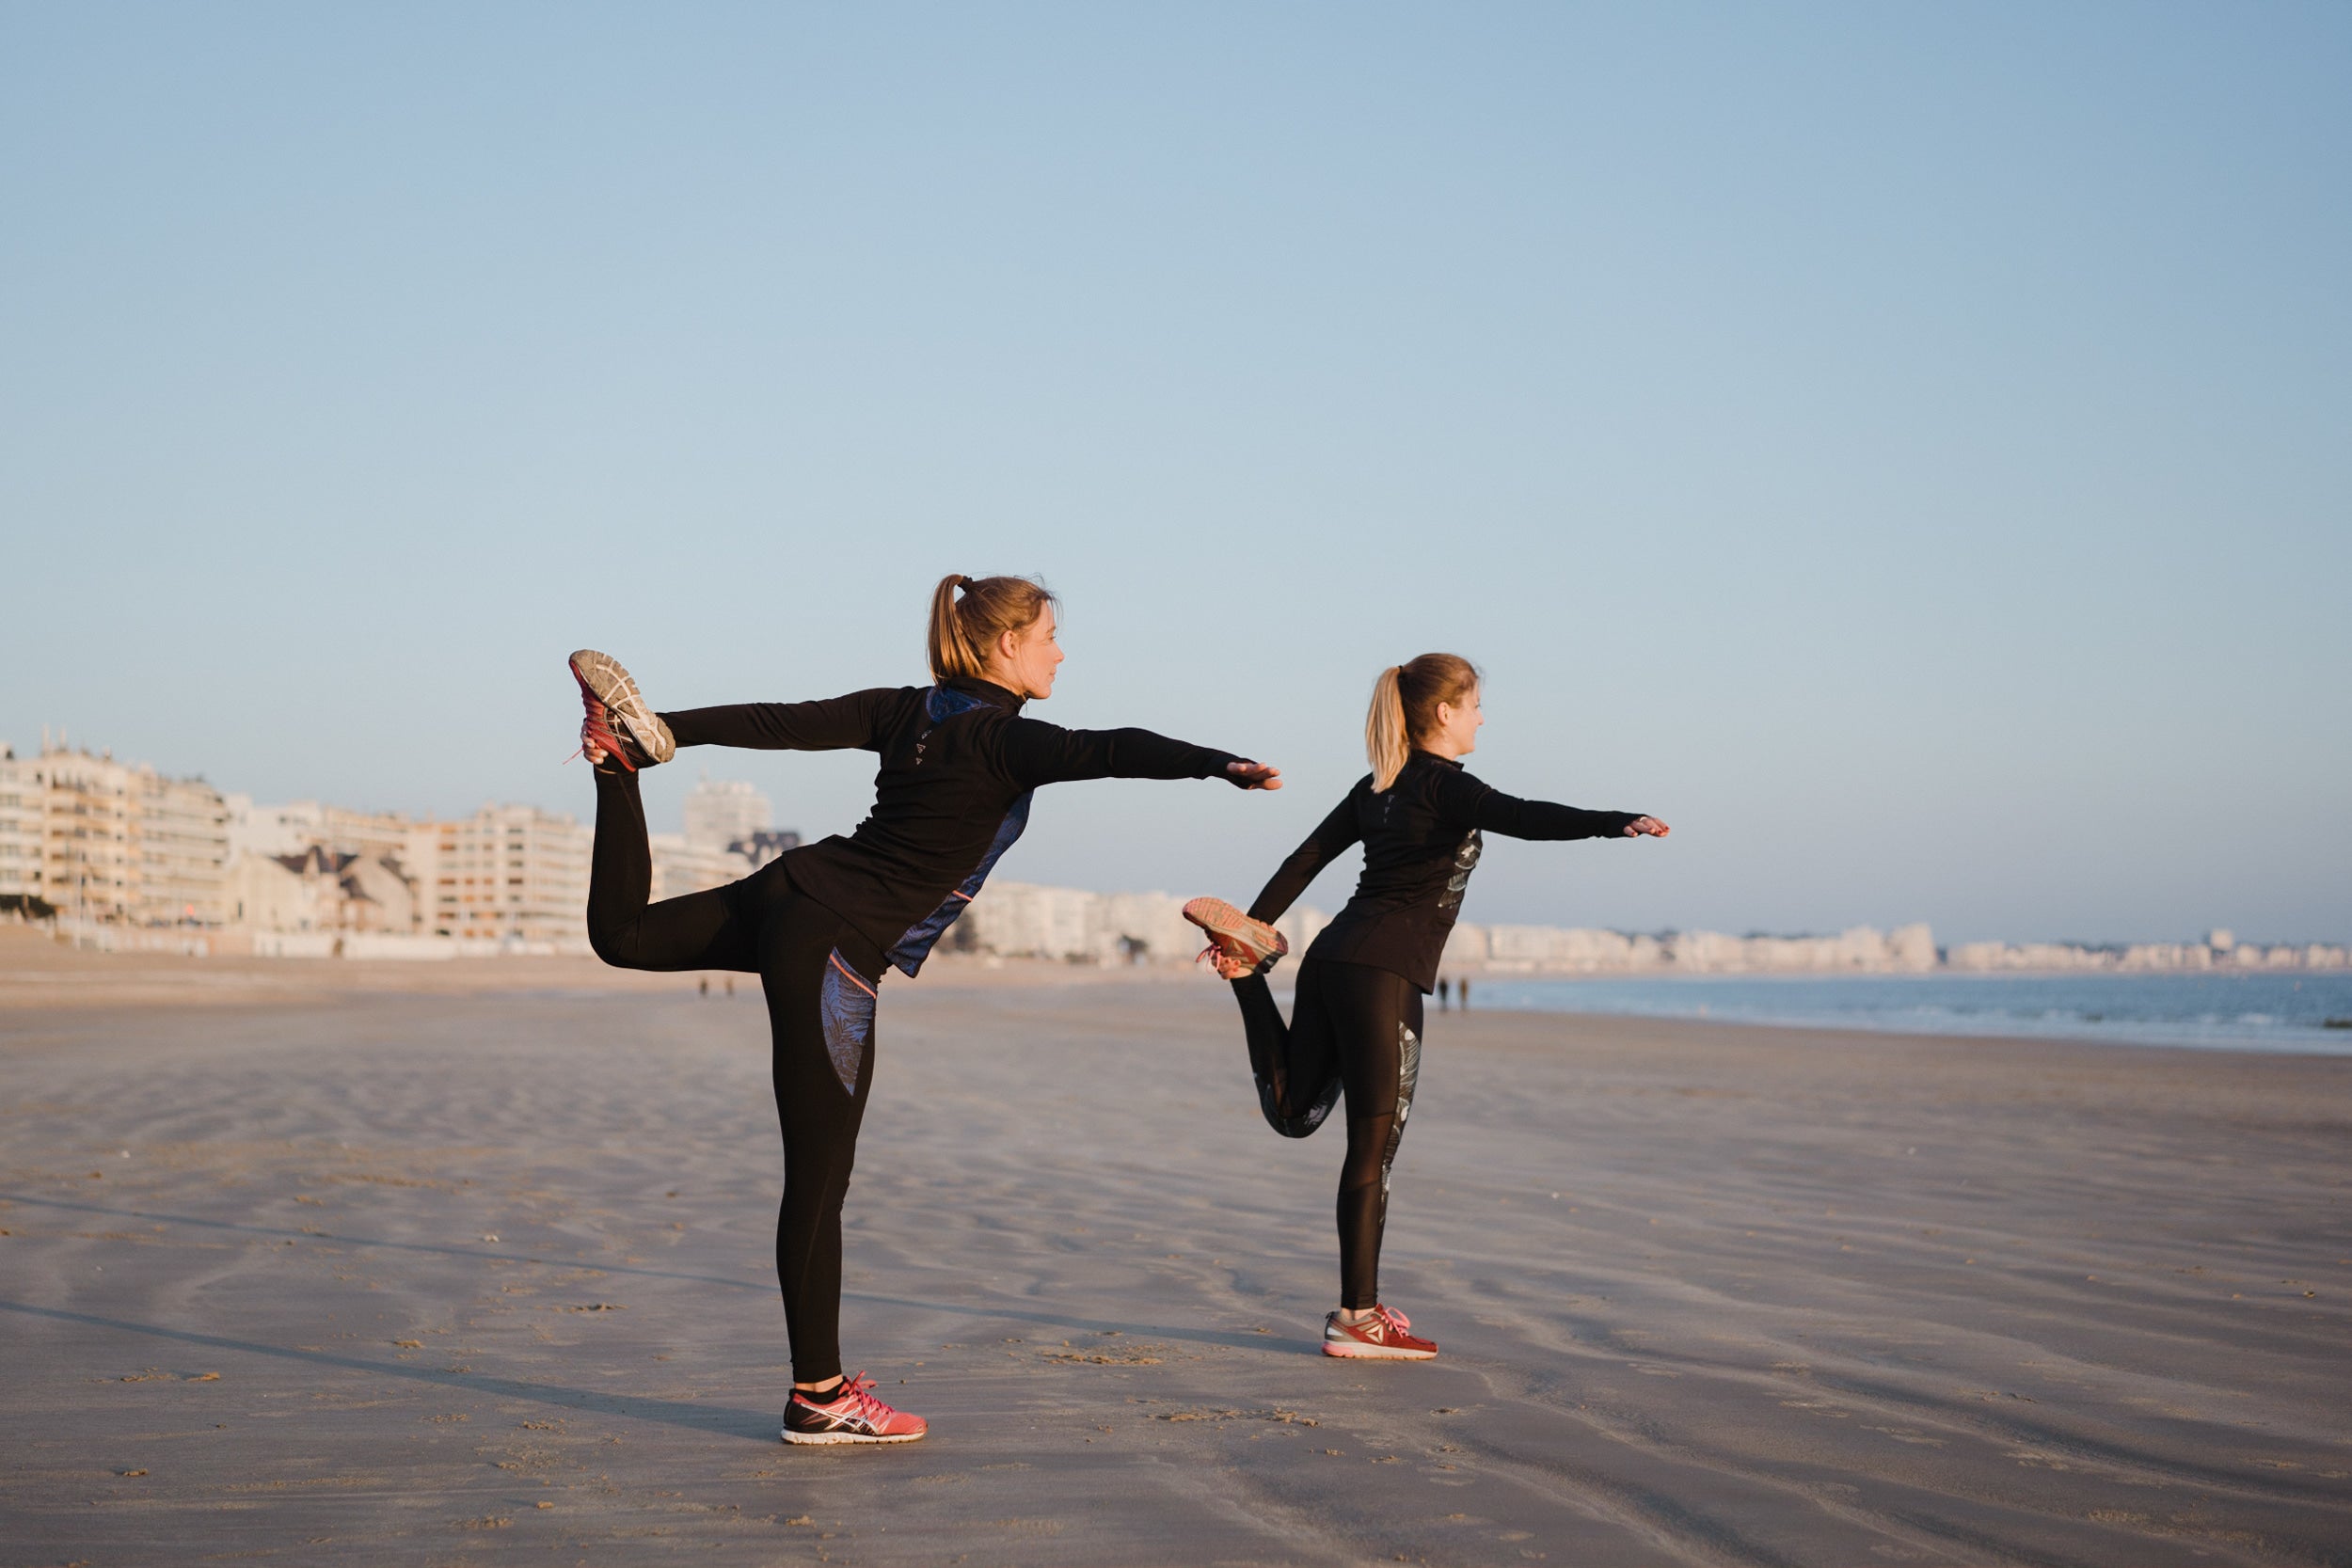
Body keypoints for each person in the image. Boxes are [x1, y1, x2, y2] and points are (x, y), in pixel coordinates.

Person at [569, 574, 1281, 1444]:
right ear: (1004, 645)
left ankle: (617, 763)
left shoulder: (908, 709)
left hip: (789, 893)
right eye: (1049, 635)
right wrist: (1218, 763)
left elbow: (777, 721)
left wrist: (666, 733)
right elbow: (1112, 748)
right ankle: (819, 1395)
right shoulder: (1003, 739)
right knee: (818, 1179)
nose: (1061, 651)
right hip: (836, 942)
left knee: (626, 934)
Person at [1184, 654, 1664, 1360]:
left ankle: (1248, 970)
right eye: (1473, 705)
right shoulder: (1445, 786)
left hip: (1331, 956)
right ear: (1443, 711)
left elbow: (1304, 858)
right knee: (1371, 1150)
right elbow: (1526, 818)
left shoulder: (1378, 784)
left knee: (1296, 1111)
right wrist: (1615, 821)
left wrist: (1255, 924)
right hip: (1384, 974)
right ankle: (1358, 1316)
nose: (1480, 717)